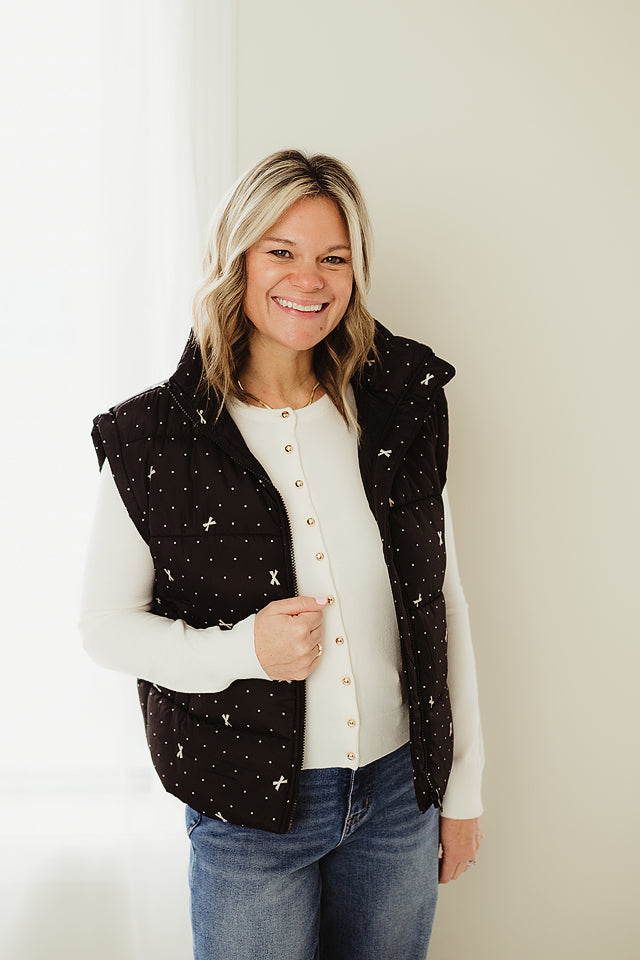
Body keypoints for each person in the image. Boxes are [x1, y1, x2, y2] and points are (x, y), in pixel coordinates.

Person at [79, 149, 484, 960]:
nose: (310, 279)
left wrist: (462, 787)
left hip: (398, 797)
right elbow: (105, 628)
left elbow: (440, 600)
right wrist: (246, 651)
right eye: (282, 251)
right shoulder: (153, 438)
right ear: (237, 259)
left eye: (334, 257)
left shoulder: (396, 410)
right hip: (248, 815)